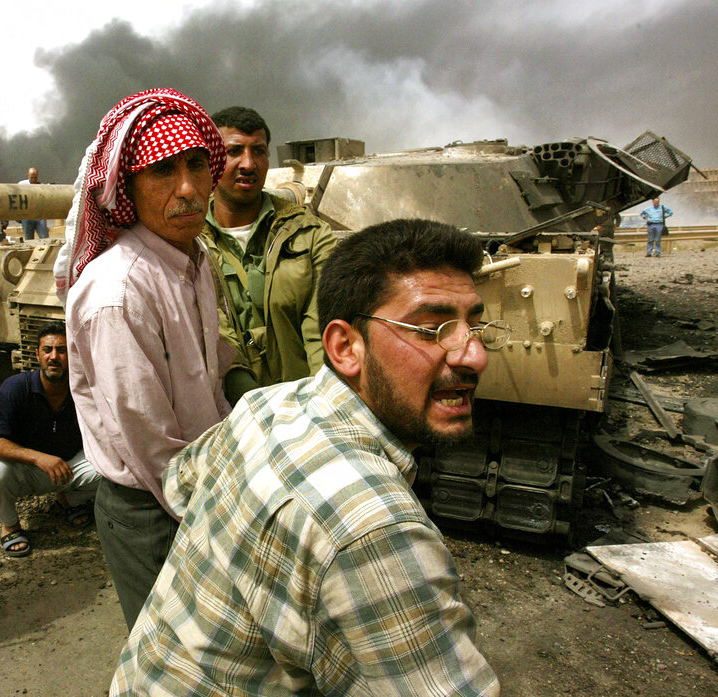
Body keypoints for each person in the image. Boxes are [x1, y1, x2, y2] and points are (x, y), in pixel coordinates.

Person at [112, 218, 504, 696]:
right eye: (431, 330)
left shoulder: (265, 406)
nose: (474, 356)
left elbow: (181, 484)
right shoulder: (375, 531)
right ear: (345, 347)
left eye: (475, 326)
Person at [55, 88, 232, 629]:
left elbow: (211, 380)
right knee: (173, 654)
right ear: (127, 187)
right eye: (162, 171)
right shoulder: (119, 291)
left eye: (197, 165)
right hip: (158, 508)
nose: (188, 188)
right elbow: (150, 441)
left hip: (201, 487)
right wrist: (221, 515)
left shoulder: (192, 260)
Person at [202, 106, 338, 405]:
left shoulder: (309, 234)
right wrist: (257, 410)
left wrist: (322, 404)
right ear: (211, 159)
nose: (248, 164)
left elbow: (323, 328)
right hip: (227, 411)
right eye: (234, 151)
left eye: (258, 151)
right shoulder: (191, 243)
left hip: (309, 404)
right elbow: (215, 335)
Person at [0, 321, 101, 556]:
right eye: (47, 350)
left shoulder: (82, 390)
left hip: (68, 466)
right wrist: (39, 458)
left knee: (111, 467)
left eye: (61, 350)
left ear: (73, 355)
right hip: (26, 469)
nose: (53, 357)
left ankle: (69, 500)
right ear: (37, 355)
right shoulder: (16, 387)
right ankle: (10, 525)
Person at [18, 167, 50, 239]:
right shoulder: (21, 185)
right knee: (29, 239)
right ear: (28, 175)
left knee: (44, 238)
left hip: (39, 216)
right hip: (27, 216)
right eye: (31, 177)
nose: (33, 179)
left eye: (35, 177)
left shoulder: (42, 186)